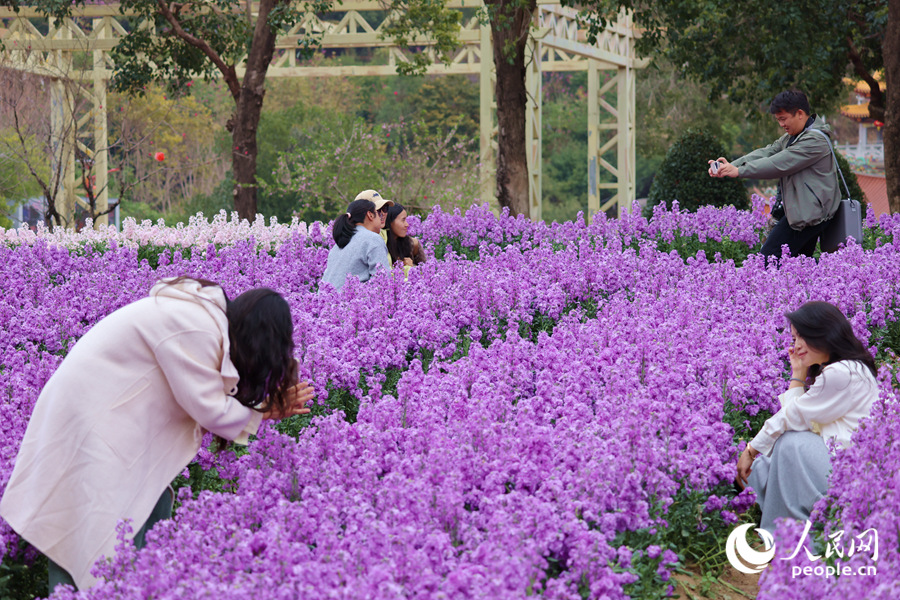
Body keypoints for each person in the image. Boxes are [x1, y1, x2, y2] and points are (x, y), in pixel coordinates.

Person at [0, 277, 314, 591]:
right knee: (92, 524)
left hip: (97, 417)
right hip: (88, 421)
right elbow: (210, 409)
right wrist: (265, 412)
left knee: (135, 508)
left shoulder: (203, 321)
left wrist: (261, 410)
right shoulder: (197, 327)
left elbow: (201, 404)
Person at [736, 301, 878, 532]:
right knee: (767, 464)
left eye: (803, 336)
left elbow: (793, 417)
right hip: (845, 468)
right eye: (793, 339)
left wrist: (752, 449)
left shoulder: (842, 373)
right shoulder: (848, 369)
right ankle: (744, 504)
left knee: (790, 444)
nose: (797, 345)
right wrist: (799, 374)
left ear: (825, 332)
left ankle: (788, 533)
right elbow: (798, 415)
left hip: (850, 477)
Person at [709, 90, 841, 259]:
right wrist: (729, 166)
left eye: (783, 119)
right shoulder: (793, 137)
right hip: (802, 212)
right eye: (778, 120)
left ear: (800, 114)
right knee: (798, 266)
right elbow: (768, 152)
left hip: (809, 216)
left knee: (767, 260)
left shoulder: (815, 141)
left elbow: (778, 163)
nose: (781, 124)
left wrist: (739, 171)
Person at [320, 198, 391, 291]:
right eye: (378, 214)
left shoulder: (337, 245)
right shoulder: (373, 239)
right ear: (370, 215)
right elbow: (383, 281)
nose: (381, 217)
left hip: (325, 302)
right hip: (352, 302)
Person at [385, 203, 426, 269]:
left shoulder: (413, 244)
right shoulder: (380, 244)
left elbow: (426, 272)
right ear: (390, 222)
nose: (407, 224)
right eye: (403, 220)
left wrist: (412, 267)